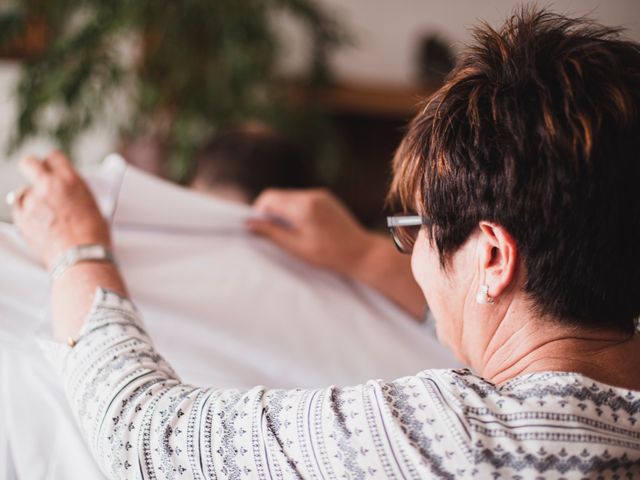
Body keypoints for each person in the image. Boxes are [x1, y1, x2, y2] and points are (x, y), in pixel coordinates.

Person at [8, 8, 640, 479]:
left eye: (414, 234)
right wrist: (362, 255)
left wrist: (77, 245)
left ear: (494, 258)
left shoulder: (458, 437)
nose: (413, 260)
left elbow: (145, 436)